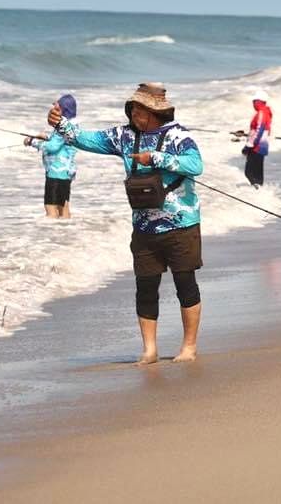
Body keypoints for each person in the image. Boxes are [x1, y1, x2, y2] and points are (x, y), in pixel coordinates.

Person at [49, 83, 204, 364]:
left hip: (181, 224)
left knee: (185, 283)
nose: (133, 114)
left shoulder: (178, 135)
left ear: (154, 112)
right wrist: (60, 125)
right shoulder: (123, 136)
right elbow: (86, 139)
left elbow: (195, 165)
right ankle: (149, 350)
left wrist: (155, 158)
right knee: (145, 287)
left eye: (139, 110)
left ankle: (189, 348)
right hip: (143, 227)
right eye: (132, 109)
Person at [27, 93, 77, 218]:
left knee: (51, 207)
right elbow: (60, 141)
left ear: (63, 110)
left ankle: (53, 235)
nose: (53, 110)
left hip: (56, 173)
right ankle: (66, 232)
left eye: (57, 107)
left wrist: (31, 142)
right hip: (66, 173)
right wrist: (46, 137)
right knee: (63, 207)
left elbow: (52, 147)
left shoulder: (62, 128)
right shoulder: (70, 126)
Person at [236, 95, 272, 188]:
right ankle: (259, 192)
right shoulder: (266, 112)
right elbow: (258, 131)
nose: (253, 104)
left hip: (257, 147)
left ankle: (256, 190)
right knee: (257, 174)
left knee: (249, 172)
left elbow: (259, 130)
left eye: (254, 101)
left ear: (259, 102)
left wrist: (248, 145)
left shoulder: (261, 113)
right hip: (261, 147)